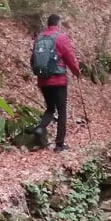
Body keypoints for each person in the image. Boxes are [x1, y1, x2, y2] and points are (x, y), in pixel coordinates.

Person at [29, 14, 82, 152]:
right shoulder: (61, 38)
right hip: (58, 81)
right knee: (62, 111)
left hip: (43, 80)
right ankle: (59, 145)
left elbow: (33, 60)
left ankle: (40, 128)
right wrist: (77, 72)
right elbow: (70, 57)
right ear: (58, 24)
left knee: (50, 108)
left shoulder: (39, 38)